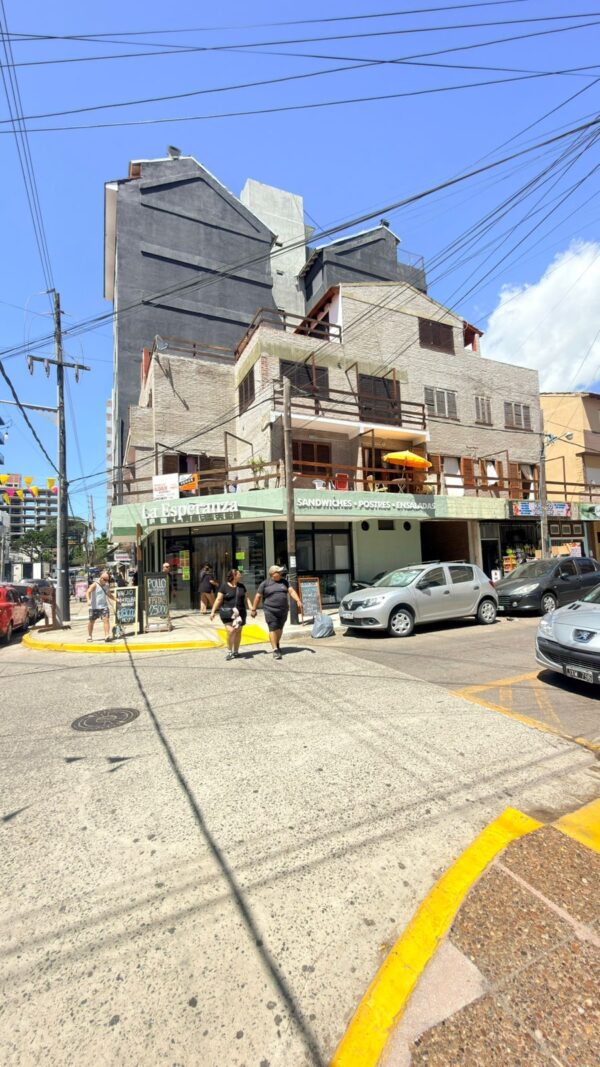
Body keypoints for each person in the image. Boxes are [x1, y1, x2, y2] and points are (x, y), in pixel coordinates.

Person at [251, 565, 303, 660]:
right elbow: (258, 596)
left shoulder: (284, 582)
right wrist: (254, 609)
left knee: (279, 628)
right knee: (273, 628)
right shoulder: (265, 584)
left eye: (280, 572)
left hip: (283, 610)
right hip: (270, 610)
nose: (280, 573)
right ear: (272, 574)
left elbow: (291, 591)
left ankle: (276, 642)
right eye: (278, 572)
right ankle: (275, 649)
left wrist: (298, 600)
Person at [210, 568, 252, 661]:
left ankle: (236, 651)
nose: (240, 575)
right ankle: (229, 651)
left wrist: (252, 608)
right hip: (227, 613)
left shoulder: (242, 586)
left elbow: (247, 598)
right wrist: (213, 611)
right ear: (234, 576)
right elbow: (218, 599)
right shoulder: (224, 586)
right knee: (231, 631)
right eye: (239, 574)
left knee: (238, 632)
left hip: (240, 613)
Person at [86, 570, 116, 643]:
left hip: (104, 606)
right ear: (101, 578)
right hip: (94, 607)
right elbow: (88, 592)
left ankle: (107, 635)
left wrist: (116, 600)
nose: (106, 581)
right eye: (105, 580)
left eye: (107, 580)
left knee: (106, 620)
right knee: (91, 621)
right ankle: (89, 636)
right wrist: (88, 600)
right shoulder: (94, 585)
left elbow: (109, 595)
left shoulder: (106, 586)